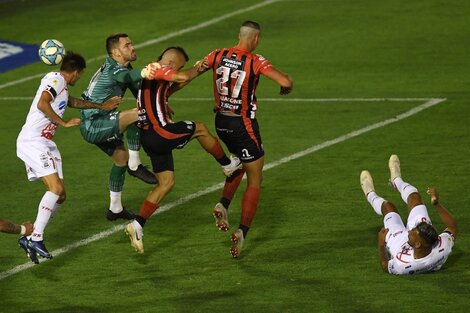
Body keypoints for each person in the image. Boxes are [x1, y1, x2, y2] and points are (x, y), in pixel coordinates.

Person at [124, 46, 241, 254]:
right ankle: (228, 165)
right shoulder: (158, 69)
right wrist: (196, 68)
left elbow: (179, 82)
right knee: (200, 128)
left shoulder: (152, 77)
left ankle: (137, 224)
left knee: (166, 183)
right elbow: (182, 76)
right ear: (171, 64)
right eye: (179, 65)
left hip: (149, 137)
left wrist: (201, 68)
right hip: (160, 132)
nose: (180, 69)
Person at [197, 20, 293, 257]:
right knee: (255, 179)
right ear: (256, 39)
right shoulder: (255, 60)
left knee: (237, 161)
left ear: (239, 35)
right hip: (243, 125)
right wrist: (286, 87)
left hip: (221, 122)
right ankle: (242, 231)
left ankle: (223, 204)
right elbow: (285, 81)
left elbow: (196, 68)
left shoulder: (217, 54)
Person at [17, 51, 121, 264]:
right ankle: (36, 237)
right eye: (80, 75)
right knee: (55, 189)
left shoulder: (60, 86)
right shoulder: (56, 79)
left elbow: (71, 101)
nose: (79, 78)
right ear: (75, 72)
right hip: (33, 141)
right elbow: (43, 103)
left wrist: (101, 106)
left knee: (61, 195)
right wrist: (63, 123)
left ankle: (30, 237)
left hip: (45, 143)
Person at [80, 33, 160, 222]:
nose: (132, 48)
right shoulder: (113, 70)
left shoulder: (123, 66)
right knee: (139, 114)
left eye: (131, 44)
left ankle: (115, 208)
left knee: (120, 159)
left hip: (102, 119)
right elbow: (127, 76)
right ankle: (135, 164)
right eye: (127, 45)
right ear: (116, 52)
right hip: (94, 124)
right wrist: (146, 71)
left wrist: (157, 102)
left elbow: (137, 90)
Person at [360, 155, 458, 275]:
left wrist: (381, 243)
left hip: (399, 244)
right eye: (413, 228)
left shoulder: (403, 265)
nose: (409, 230)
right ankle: (396, 180)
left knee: (388, 207)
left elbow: (385, 266)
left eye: (412, 231)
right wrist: (437, 204)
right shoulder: (442, 247)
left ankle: (370, 194)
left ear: (417, 244)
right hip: (421, 243)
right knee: (415, 197)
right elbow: (452, 227)